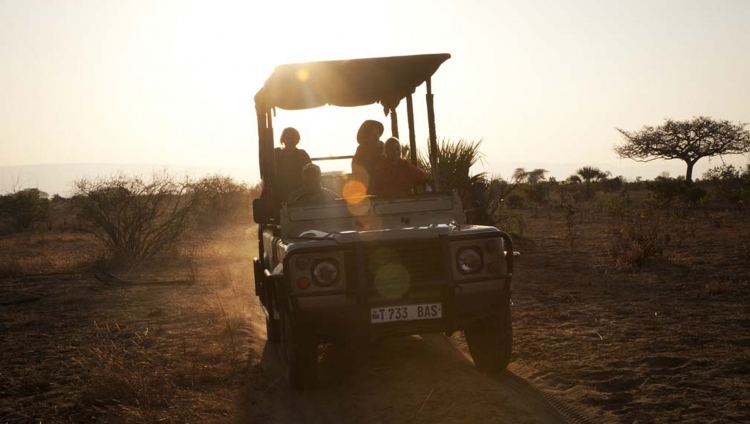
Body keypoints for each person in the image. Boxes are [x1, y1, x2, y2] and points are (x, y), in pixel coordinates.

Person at [274, 127, 312, 205]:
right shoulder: (276, 154)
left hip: (299, 192)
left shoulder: (302, 154)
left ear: (297, 140)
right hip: (280, 191)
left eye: (293, 138)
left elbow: (310, 172)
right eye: (288, 138)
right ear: (283, 140)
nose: (290, 141)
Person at [351, 120, 385, 189]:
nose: (377, 138)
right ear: (366, 138)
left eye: (378, 134)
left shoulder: (383, 150)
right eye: (373, 135)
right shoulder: (359, 157)